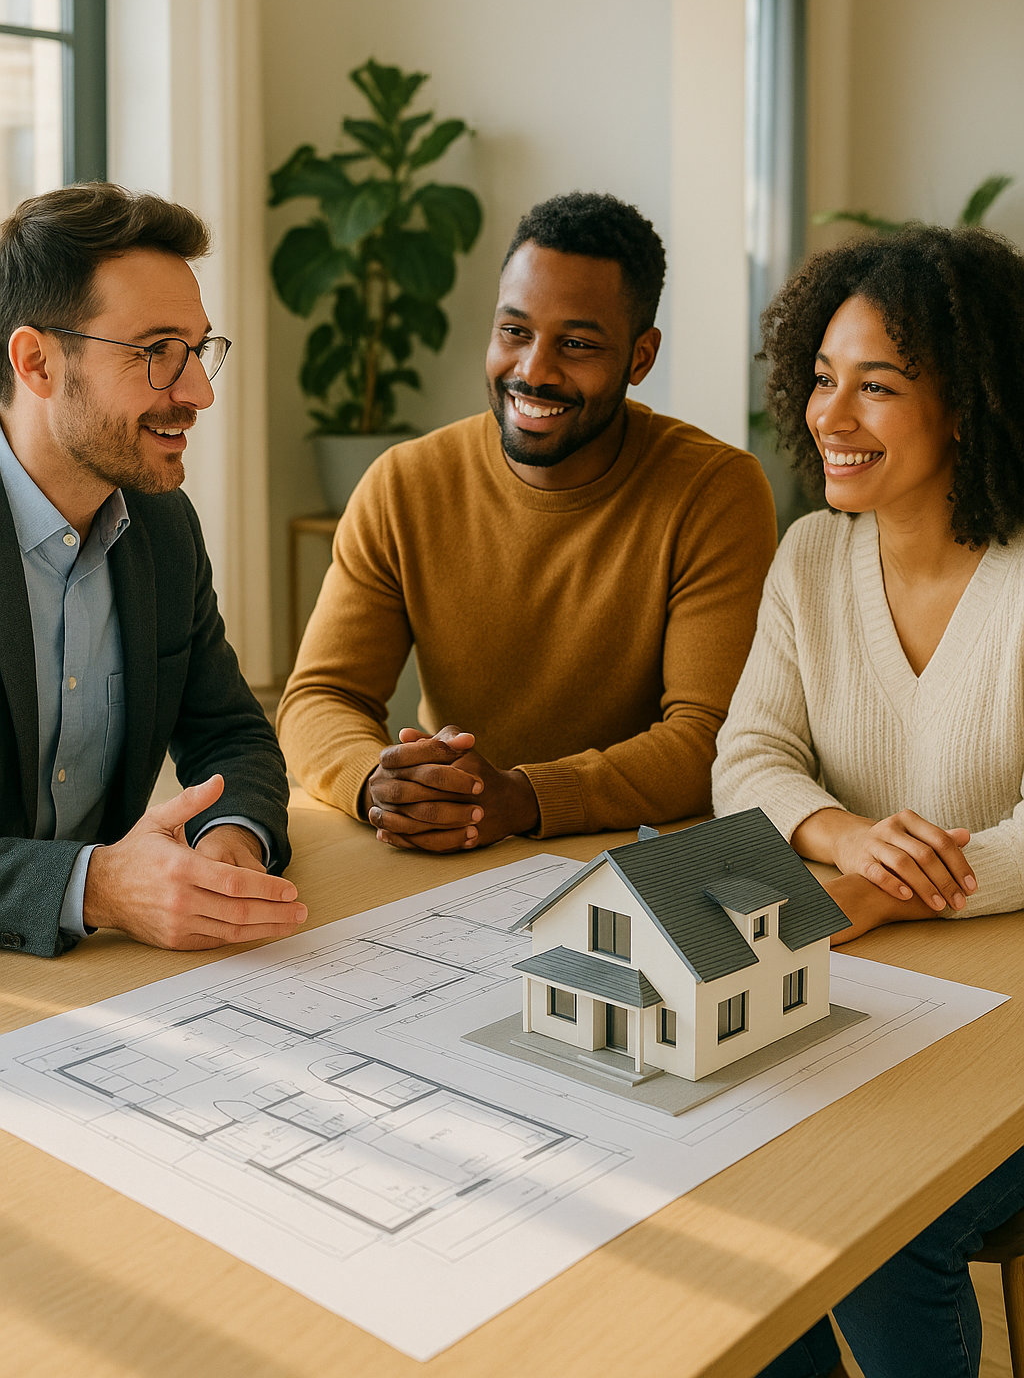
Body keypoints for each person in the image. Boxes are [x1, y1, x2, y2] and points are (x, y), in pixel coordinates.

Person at [711, 225, 1024, 1377]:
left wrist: (891, 895)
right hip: (870, 982)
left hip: (998, 1017)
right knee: (749, 1186)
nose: (828, 417)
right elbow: (746, 756)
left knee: (885, 1234)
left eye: (876, 388)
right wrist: (843, 839)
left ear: (968, 406)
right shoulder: (808, 559)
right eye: (822, 380)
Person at [278, 192, 776, 850]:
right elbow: (320, 696)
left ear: (640, 357)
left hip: (640, 856)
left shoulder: (714, 491)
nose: (533, 371)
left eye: (576, 344)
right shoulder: (404, 484)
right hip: (454, 852)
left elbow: (707, 738)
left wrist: (522, 796)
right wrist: (381, 782)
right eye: (515, 332)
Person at [0, 183, 306, 959]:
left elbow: (230, 731)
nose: (198, 392)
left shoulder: (161, 524)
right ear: (36, 362)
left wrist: (228, 845)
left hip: (106, 980)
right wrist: (96, 886)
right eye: (157, 353)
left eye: (198, 350)